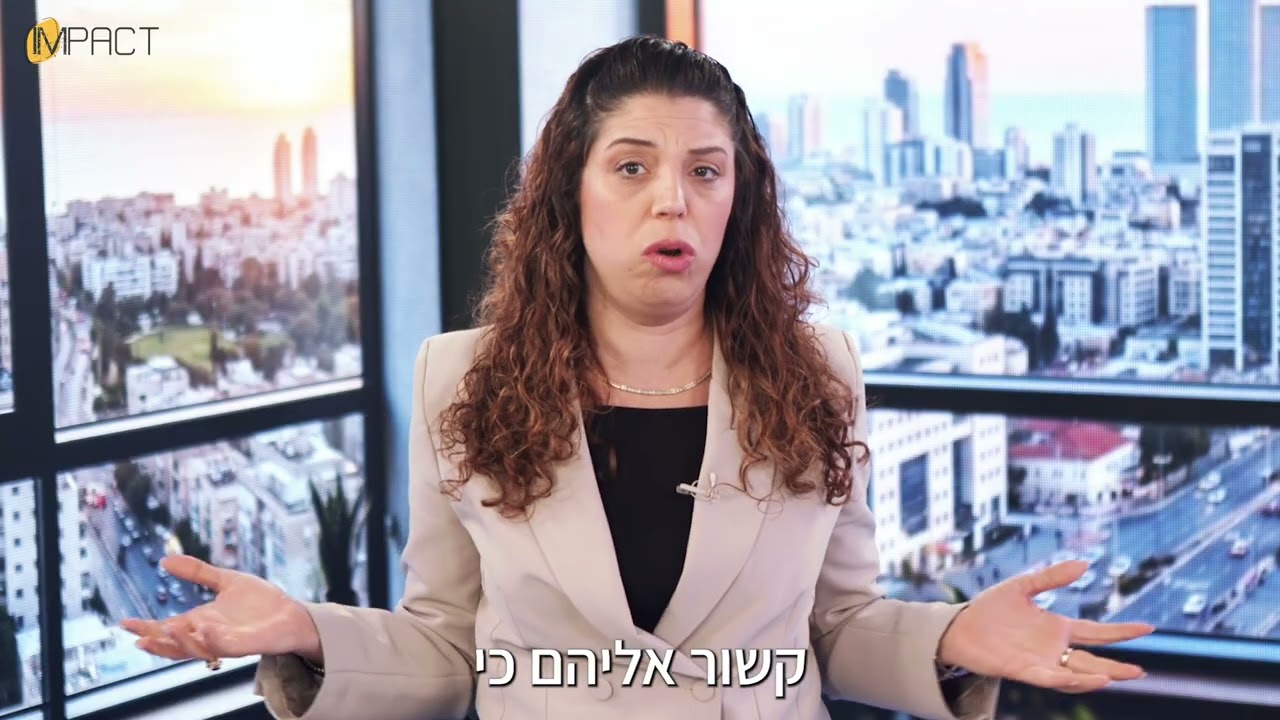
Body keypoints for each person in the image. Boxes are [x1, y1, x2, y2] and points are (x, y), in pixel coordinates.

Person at [121, 36, 1153, 720]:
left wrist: (952, 636)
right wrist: (308, 632)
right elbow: (448, 644)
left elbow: (835, 629)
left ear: (739, 199)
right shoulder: (458, 380)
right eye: (630, 167)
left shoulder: (819, 374)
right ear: (567, 196)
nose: (672, 200)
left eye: (705, 171)